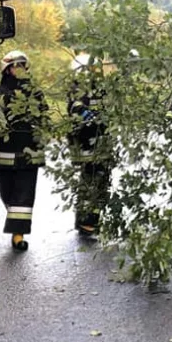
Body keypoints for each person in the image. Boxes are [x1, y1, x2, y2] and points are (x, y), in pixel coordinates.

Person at [0, 50, 48, 251]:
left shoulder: (36, 92)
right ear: (7, 70)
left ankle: (18, 236)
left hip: (29, 154)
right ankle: (15, 224)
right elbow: (0, 104)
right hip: (4, 156)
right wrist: (20, 93)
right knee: (7, 194)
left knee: (23, 197)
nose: (20, 70)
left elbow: (43, 113)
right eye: (16, 66)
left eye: (23, 66)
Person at [67, 53, 113, 234]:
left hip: (102, 140)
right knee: (90, 180)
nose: (94, 72)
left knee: (102, 180)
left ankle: (93, 219)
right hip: (85, 142)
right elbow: (75, 107)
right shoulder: (77, 89)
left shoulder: (101, 88)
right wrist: (87, 115)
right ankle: (86, 221)